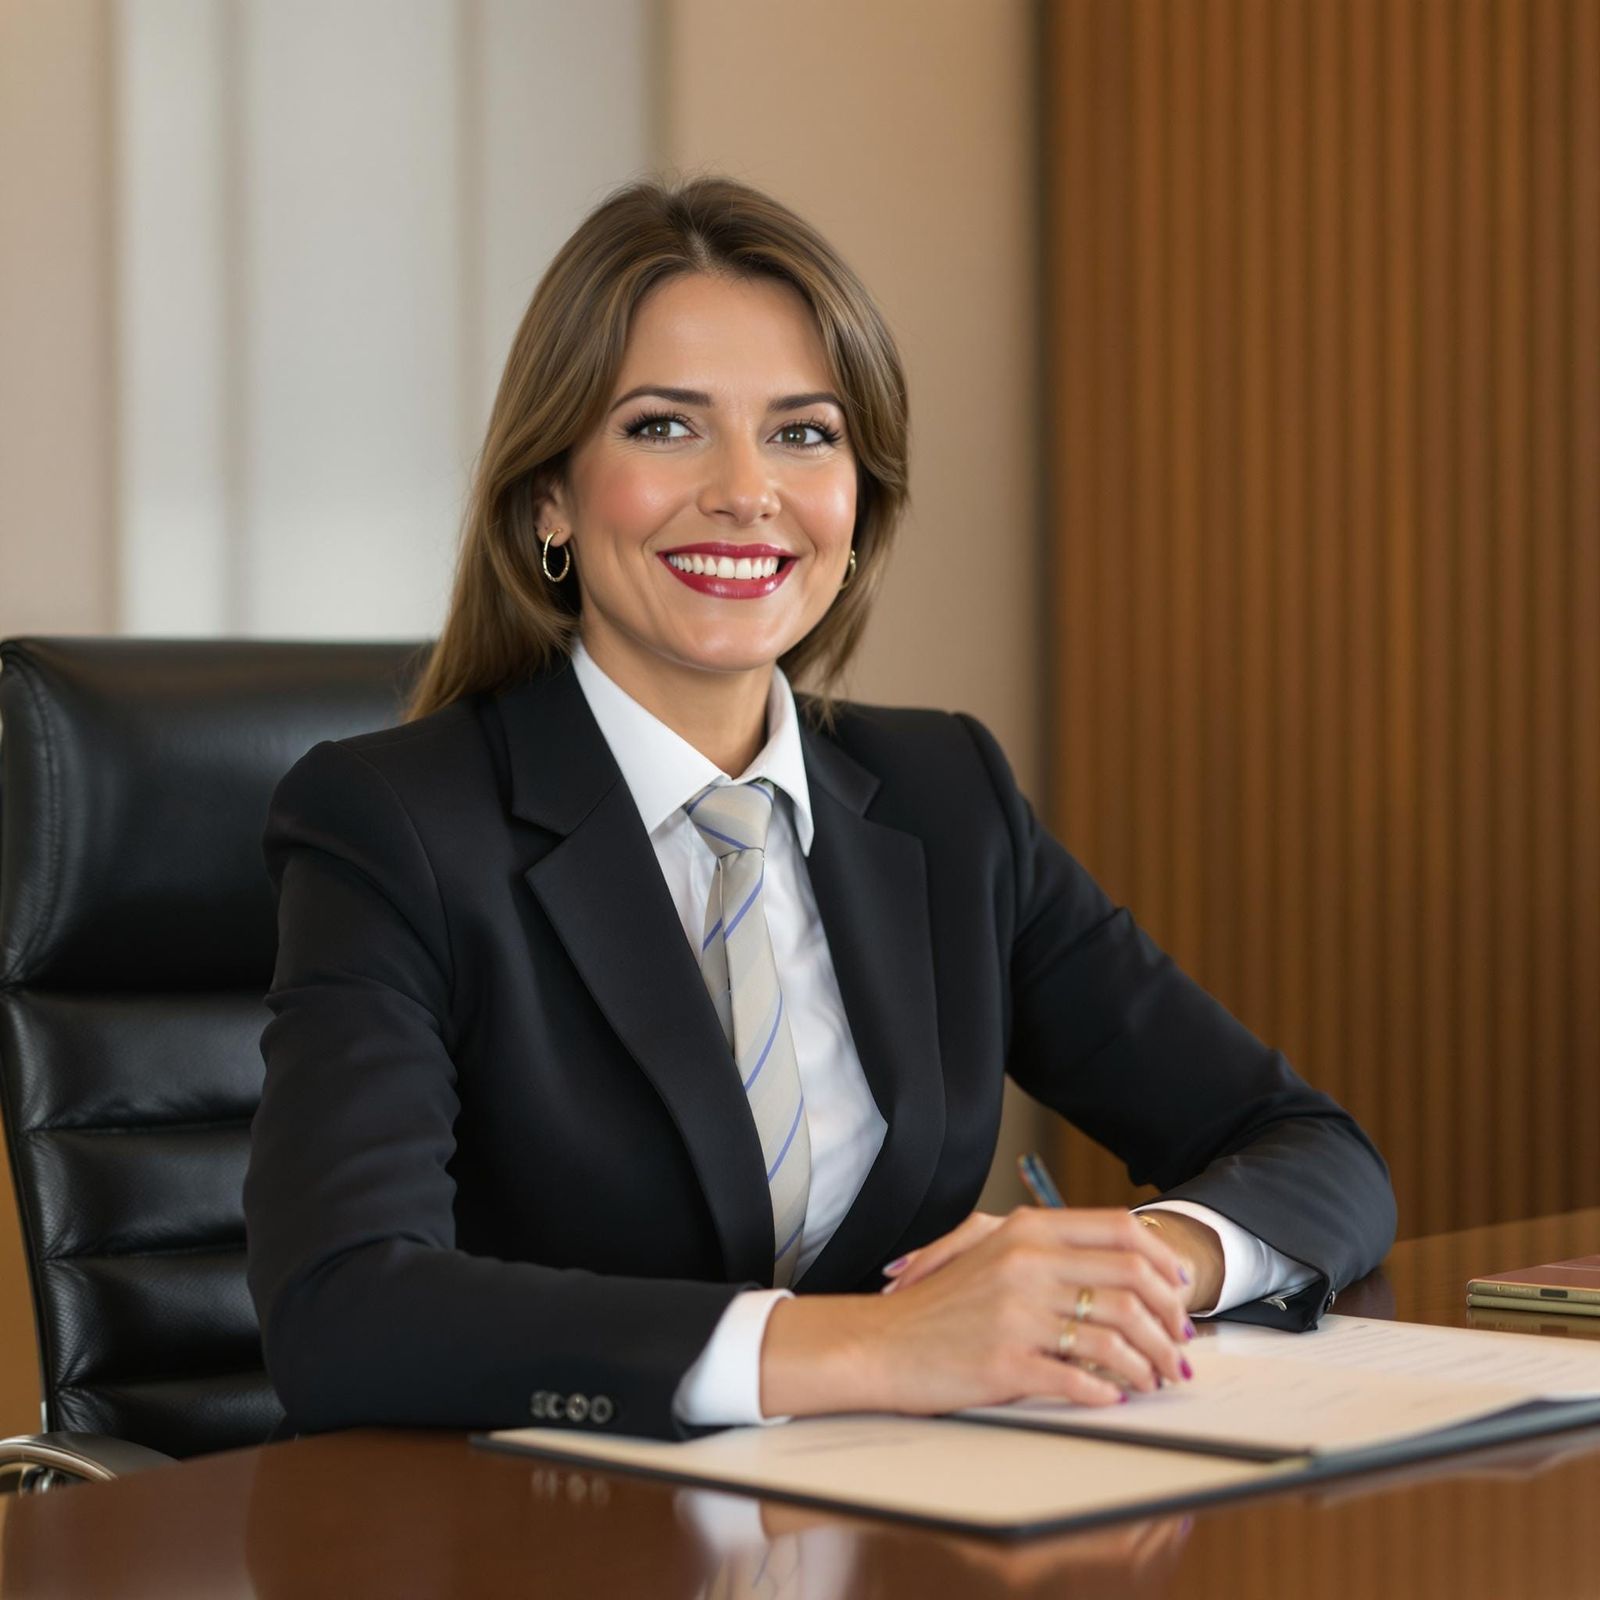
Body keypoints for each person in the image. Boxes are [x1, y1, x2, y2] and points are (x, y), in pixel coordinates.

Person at [243, 174, 1396, 1443]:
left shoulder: (946, 798)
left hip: (906, 1509)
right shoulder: (392, 826)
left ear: (858, 504)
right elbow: (344, 1311)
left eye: (803, 434)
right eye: (663, 427)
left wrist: (1132, 1264)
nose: (747, 490)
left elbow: (1311, 1148)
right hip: (549, 1519)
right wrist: (878, 1345)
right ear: (548, 498)